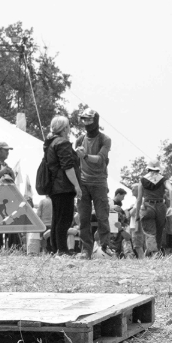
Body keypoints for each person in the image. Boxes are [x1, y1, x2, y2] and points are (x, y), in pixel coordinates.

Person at [74, 109, 112, 258]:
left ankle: (105, 245)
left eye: (89, 120)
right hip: (83, 183)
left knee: (103, 217)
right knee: (83, 218)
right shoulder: (79, 140)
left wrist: (85, 156)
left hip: (100, 183)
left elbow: (101, 159)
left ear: (95, 120)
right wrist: (75, 185)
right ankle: (86, 250)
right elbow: (75, 164)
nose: (86, 123)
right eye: (84, 120)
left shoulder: (105, 139)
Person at [43, 116, 80, 255]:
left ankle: (55, 248)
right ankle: (63, 249)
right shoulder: (63, 143)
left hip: (54, 186)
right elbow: (67, 167)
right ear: (65, 128)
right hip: (64, 186)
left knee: (57, 219)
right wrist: (76, 185)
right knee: (64, 219)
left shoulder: (50, 142)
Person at [133, 161, 168, 256]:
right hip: (161, 205)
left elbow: (139, 199)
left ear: (148, 169)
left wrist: (137, 215)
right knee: (159, 230)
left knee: (150, 232)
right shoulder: (163, 180)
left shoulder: (142, 180)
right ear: (158, 169)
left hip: (147, 206)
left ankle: (154, 252)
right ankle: (157, 251)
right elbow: (171, 190)